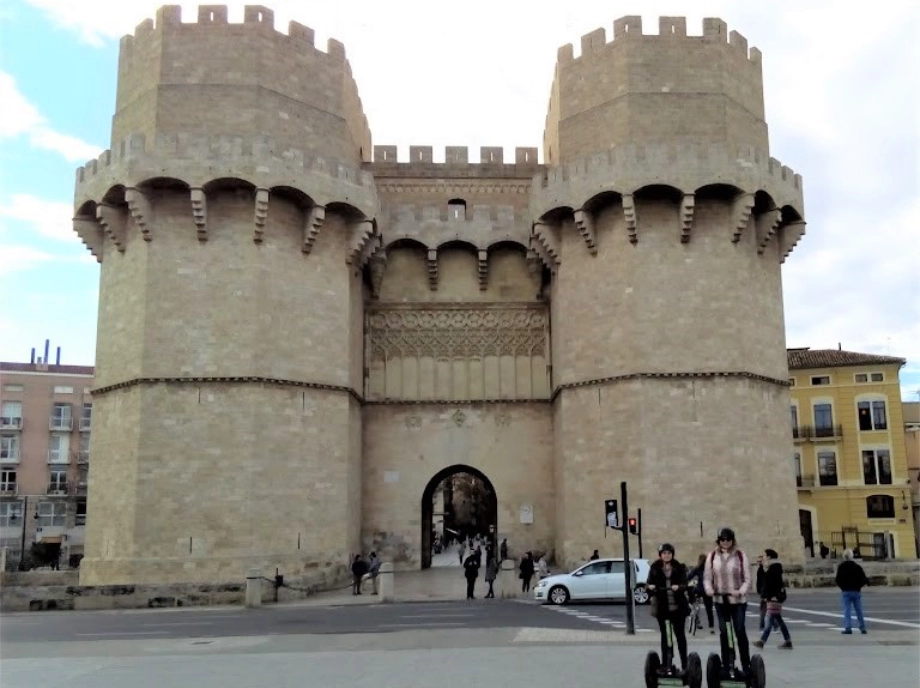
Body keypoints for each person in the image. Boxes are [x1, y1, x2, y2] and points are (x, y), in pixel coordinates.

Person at [704, 527, 752, 675]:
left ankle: (746, 665)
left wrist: (740, 591)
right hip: (720, 599)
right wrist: (709, 590)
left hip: (737, 600)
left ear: (732, 540)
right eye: (722, 540)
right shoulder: (712, 556)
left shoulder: (740, 555)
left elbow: (747, 579)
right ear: (719, 541)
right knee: (724, 632)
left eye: (728, 539)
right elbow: (707, 577)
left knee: (739, 630)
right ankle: (727, 664)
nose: (725, 542)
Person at [646, 543, 690, 673]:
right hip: (662, 608)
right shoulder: (654, 567)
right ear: (660, 555)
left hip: (677, 608)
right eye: (664, 553)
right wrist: (651, 588)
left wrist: (679, 587)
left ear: (672, 554)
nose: (666, 555)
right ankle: (666, 664)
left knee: (680, 635)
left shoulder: (679, 567)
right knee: (665, 637)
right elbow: (649, 584)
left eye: (669, 553)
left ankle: (684, 664)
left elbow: (684, 583)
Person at [753, 549, 792, 649]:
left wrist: (767, 596)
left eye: (764, 555)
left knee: (769, 619)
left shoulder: (773, 569)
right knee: (778, 620)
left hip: (774, 597)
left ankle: (762, 641)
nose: (763, 557)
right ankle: (788, 641)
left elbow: (770, 584)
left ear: (769, 557)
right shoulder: (773, 568)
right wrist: (761, 567)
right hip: (775, 597)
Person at [836, 549, 869, 634]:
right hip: (856, 591)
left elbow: (838, 580)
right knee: (859, 610)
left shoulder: (841, 567)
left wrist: (842, 587)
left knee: (847, 610)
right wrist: (859, 586)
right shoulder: (857, 567)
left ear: (844, 557)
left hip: (846, 591)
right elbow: (864, 579)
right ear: (852, 556)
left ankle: (848, 628)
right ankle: (862, 627)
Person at [687, 553, 715, 634]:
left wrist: (685, 584)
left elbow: (689, 577)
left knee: (694, 604)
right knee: (709, 609)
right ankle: (711, 627)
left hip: (699, 590)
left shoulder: (698, 568)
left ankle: (696, 620)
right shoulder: (710, 569)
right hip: (707, 590)